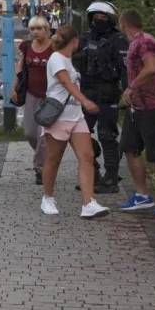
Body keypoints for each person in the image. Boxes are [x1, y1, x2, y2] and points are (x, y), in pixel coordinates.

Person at [39, 24, 110, 219]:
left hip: (76, 116)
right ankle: (48, 198)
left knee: (87, 156)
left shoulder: (69, 60)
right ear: (75, 40)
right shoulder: (56, 58)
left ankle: (88, 203)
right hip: (59, 116)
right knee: (54, 158)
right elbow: (65, 82)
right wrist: (85, 100)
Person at [117, 9, 155, 215]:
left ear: (123, 23)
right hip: (137, 108)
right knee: (129, 146)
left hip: (154, 107)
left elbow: (151, 68)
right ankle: (142, 195)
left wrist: (131, 87)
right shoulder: (134, 43)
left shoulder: (145, 41)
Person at [74, 1, 129, 193]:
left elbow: (125, 70)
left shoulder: (118, 40)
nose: (98, 20)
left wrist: (128, 92)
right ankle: (91, 171)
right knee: (80, 135)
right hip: (86, 92)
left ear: (111, 20)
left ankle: (111, 178)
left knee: (107, 135)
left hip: (108, 93)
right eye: (95, 17)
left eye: (103, 18)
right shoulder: (83, 38)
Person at [11, 16, 54, 185]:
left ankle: (40, 169)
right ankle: (46, 159)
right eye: (32, 29)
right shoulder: (27, 46)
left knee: (43, 135)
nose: (35, 32)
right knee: (29, 132)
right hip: (31, 94)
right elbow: (20, 68)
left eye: (39, 28)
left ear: (46, 29)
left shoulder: (54, 47)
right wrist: (14, 88)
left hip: (50, 97)